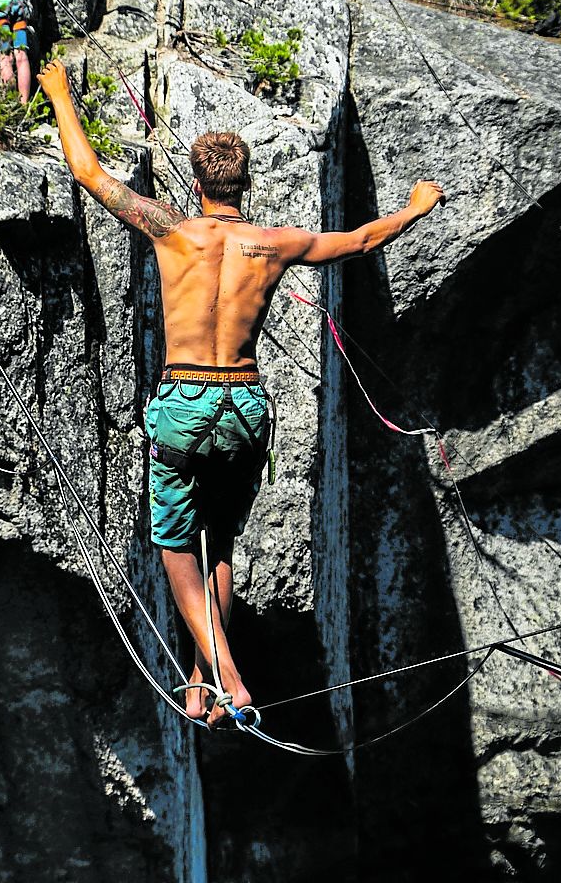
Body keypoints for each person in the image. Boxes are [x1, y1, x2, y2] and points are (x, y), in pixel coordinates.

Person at [37, 58, 446, 728]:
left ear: (196, 184)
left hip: (184, 402)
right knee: (218, 542)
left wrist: (60, 93)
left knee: (175, 546)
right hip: (244, 406)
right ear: (244, 183)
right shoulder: (272, 244)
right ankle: (202, 683)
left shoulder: (170, 230)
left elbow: (89, 175)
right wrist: (415, 207)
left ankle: (224, 670)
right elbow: (362, 239)